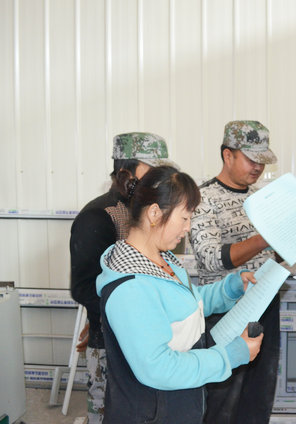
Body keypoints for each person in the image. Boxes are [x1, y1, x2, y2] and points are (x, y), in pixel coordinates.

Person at [96, 166, 263, 424]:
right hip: (149, 415)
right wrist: (229, 356)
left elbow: (186, 303)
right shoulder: (130, 287)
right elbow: (158, 368)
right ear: (154, 213)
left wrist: (229, 289)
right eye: (184, 218)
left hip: (177, 407)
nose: (188, 228)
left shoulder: (163, 260)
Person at [69, 132, 176, 423]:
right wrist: (121, 314)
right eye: (151, 171)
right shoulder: (98, 216)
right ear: (125, 173)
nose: (157, 180)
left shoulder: (145, 212)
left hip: (148, 340)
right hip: (111, 345)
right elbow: (83, 288)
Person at [189, 120, 279, 424]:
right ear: (228, 155)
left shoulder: (262, 198)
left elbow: (274, 252)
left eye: (262, 161)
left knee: (259, 395)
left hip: (265, 305)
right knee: (222, 400)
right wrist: (264, 239)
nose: (258, 167)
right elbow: (211, 258)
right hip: (226, 311)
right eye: (251, 159)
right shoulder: (203, 199)